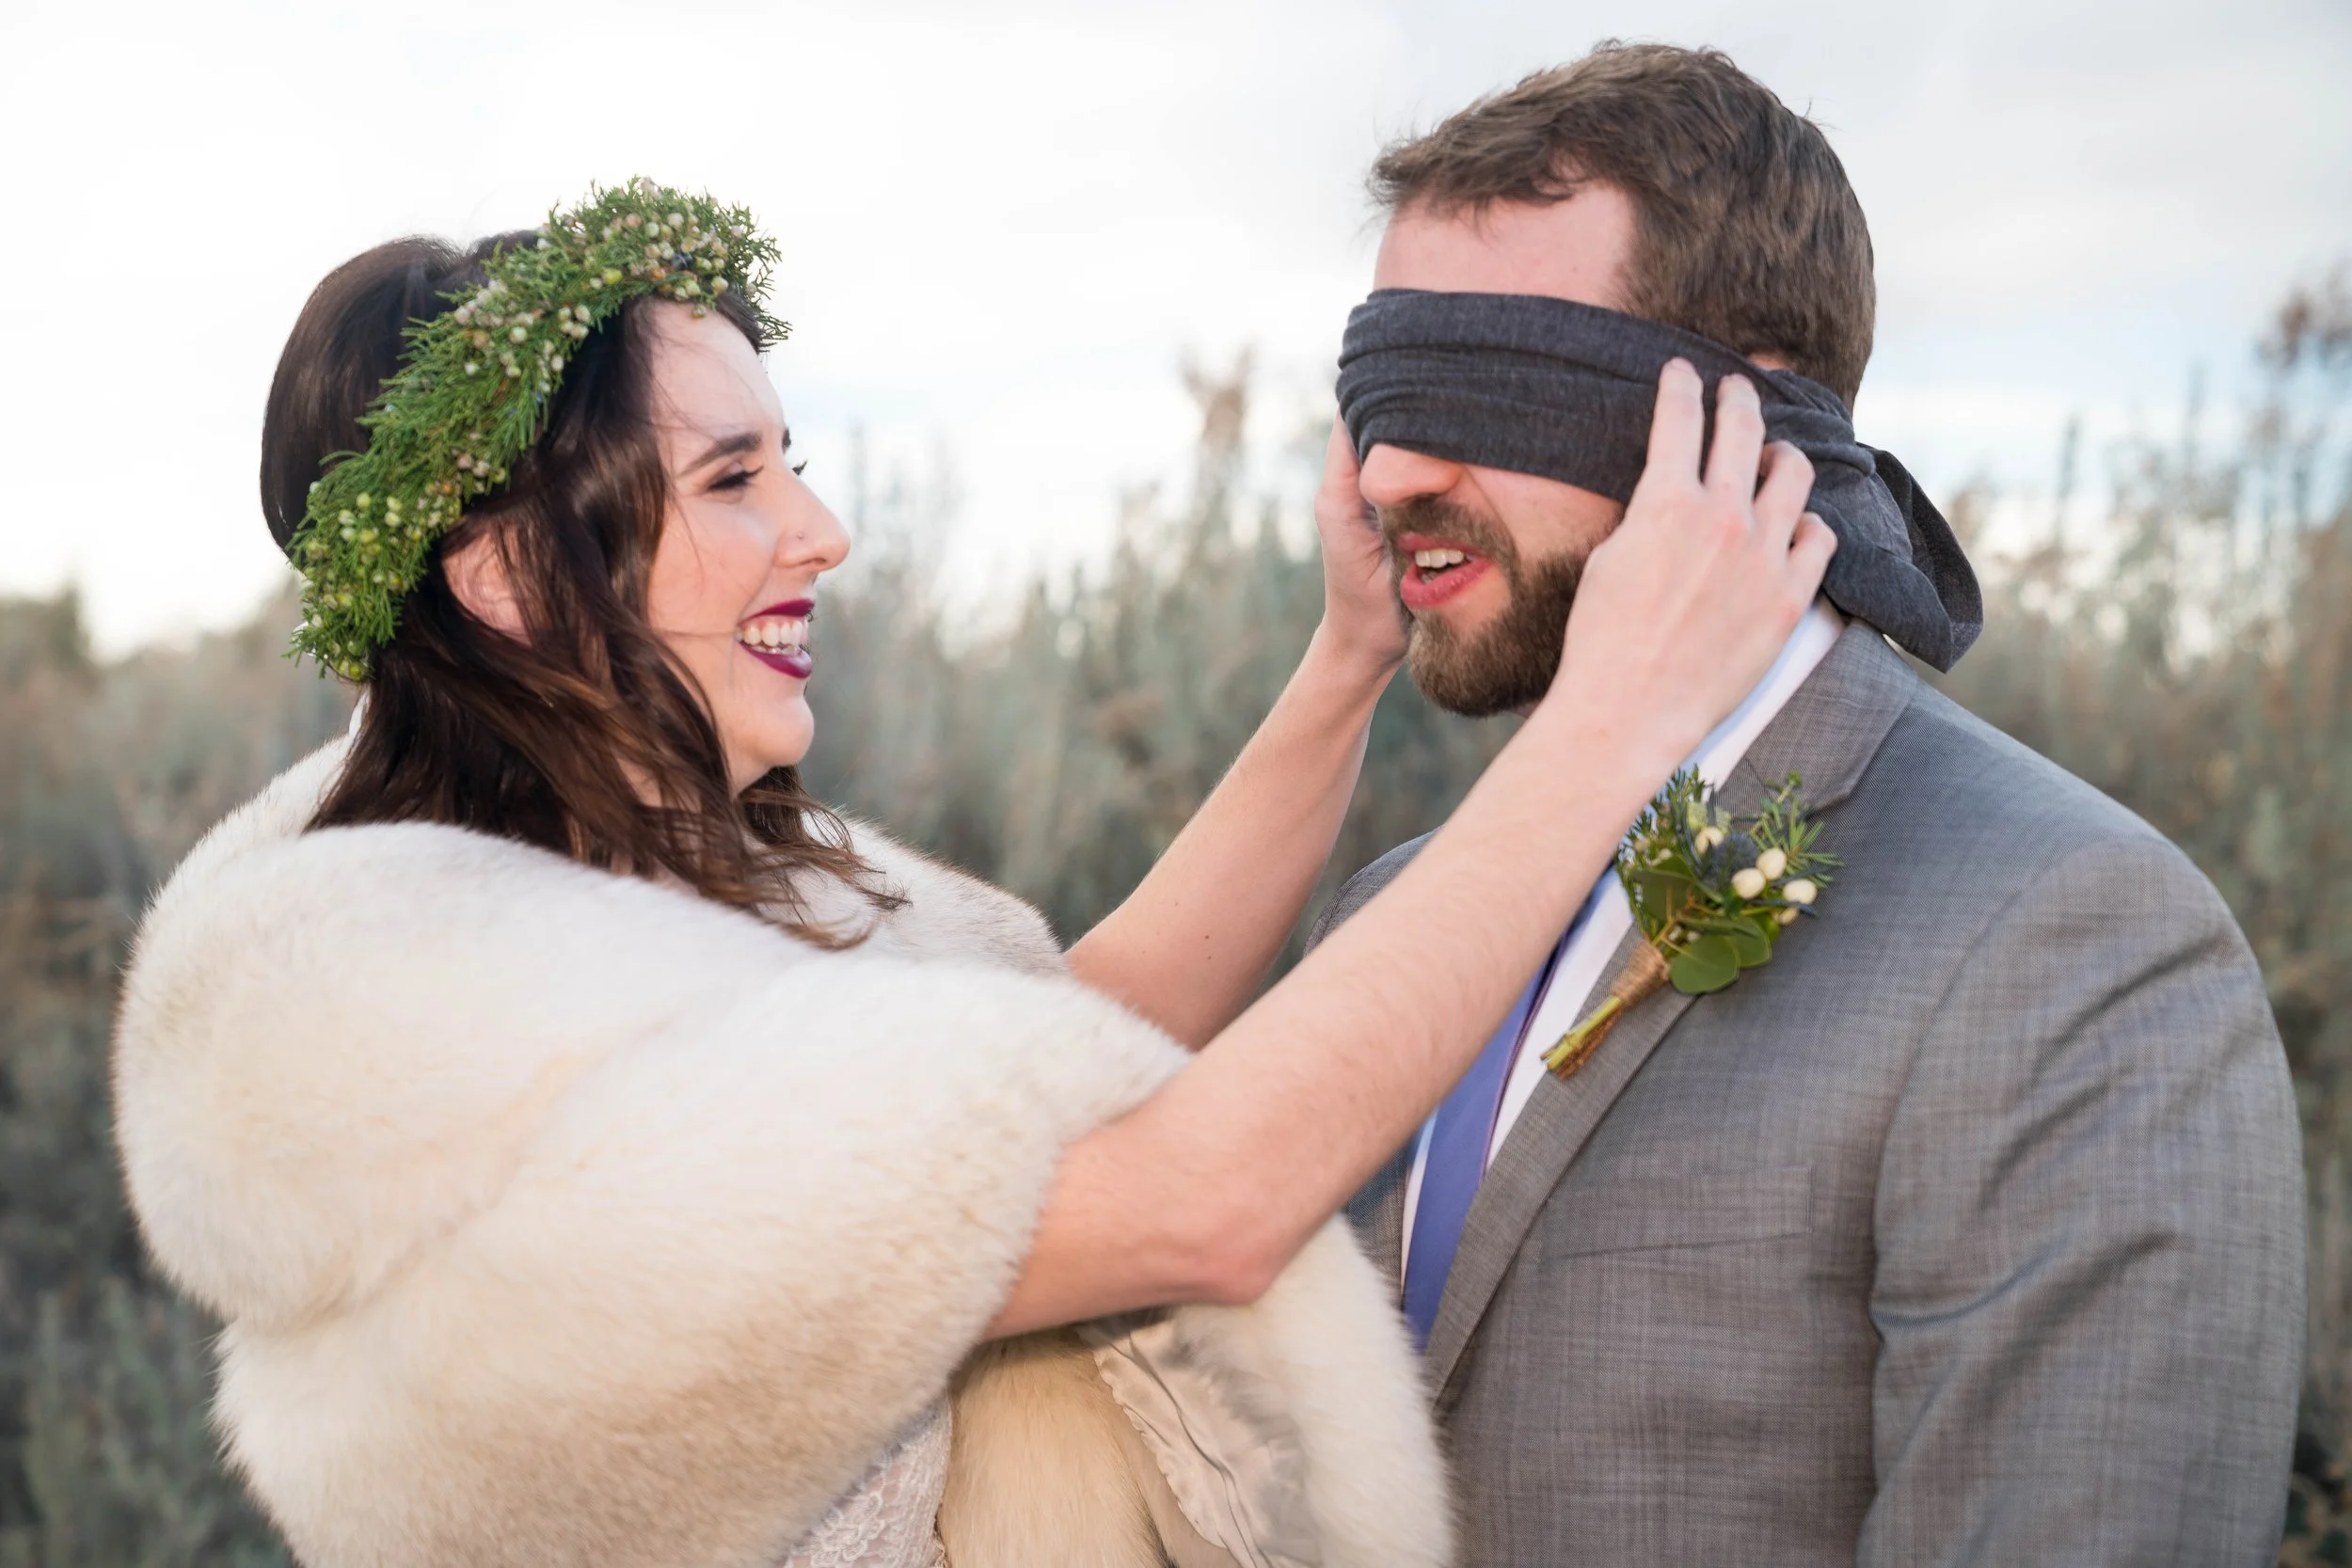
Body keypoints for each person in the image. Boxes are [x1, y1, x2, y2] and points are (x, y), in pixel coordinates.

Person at [108, 180, 1831, 1568]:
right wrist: (1613, 721)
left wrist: (1346, 662)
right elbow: (1193, 1194)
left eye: (792, 458)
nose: (822, 529)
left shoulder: (649, 905)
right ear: (508, 576)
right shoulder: (474, 1135)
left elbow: (1051, 1058)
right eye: (733, 476)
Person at [1309, 43, 2307, 1566]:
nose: (1387, 471)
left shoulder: (2069, 942)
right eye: (1377, 386)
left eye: (1489, 384)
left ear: (1744, 424)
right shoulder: (1393, 909)